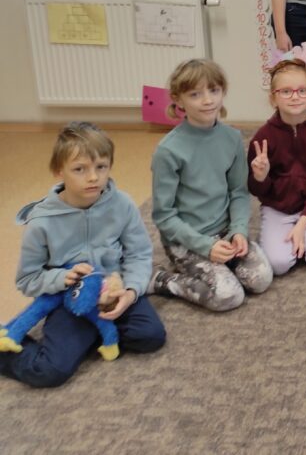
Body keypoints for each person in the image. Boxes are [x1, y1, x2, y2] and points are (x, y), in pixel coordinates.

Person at [0, 123, 165, 388]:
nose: (93, 177)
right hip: (70, 302)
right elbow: (27, 280)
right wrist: (62, 278)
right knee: (50, 371)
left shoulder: (122, 205)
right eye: (80, 169)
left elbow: (139, 254)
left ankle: (90, 336)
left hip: (111, 292)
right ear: (59, 171)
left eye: (101, 167)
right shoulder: (41, 222)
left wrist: (131, 292)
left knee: (151, 336)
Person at [150, 59, 272, 311]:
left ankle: (220, 264)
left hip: (225, 231)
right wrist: (205, 246)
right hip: (186, 239)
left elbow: (238, 192)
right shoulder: (168, 150)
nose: (207, 100)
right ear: (178, 100)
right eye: (195, 94)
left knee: (260, 280)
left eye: (214, 90)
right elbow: (164, 216)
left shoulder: (232, 138)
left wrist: (238, 230)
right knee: (228, 296)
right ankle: (163, 280)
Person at [247, 55, 306, 276]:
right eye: (286, 91)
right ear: (273, 98)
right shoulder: (263, 137)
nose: (295, 97)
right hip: (277, 208)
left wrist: (302, 224)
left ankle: (301, 236)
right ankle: (290, 240)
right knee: (278, 265)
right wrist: (260, 177)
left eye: (302, 91)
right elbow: (256, 190)